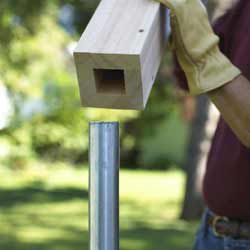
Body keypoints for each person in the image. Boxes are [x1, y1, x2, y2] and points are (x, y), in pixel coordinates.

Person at [153, 0, 250, 249]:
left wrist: (203, 56)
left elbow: (204, 60)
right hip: (213, 232)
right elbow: (188, 75)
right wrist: (180, 22)